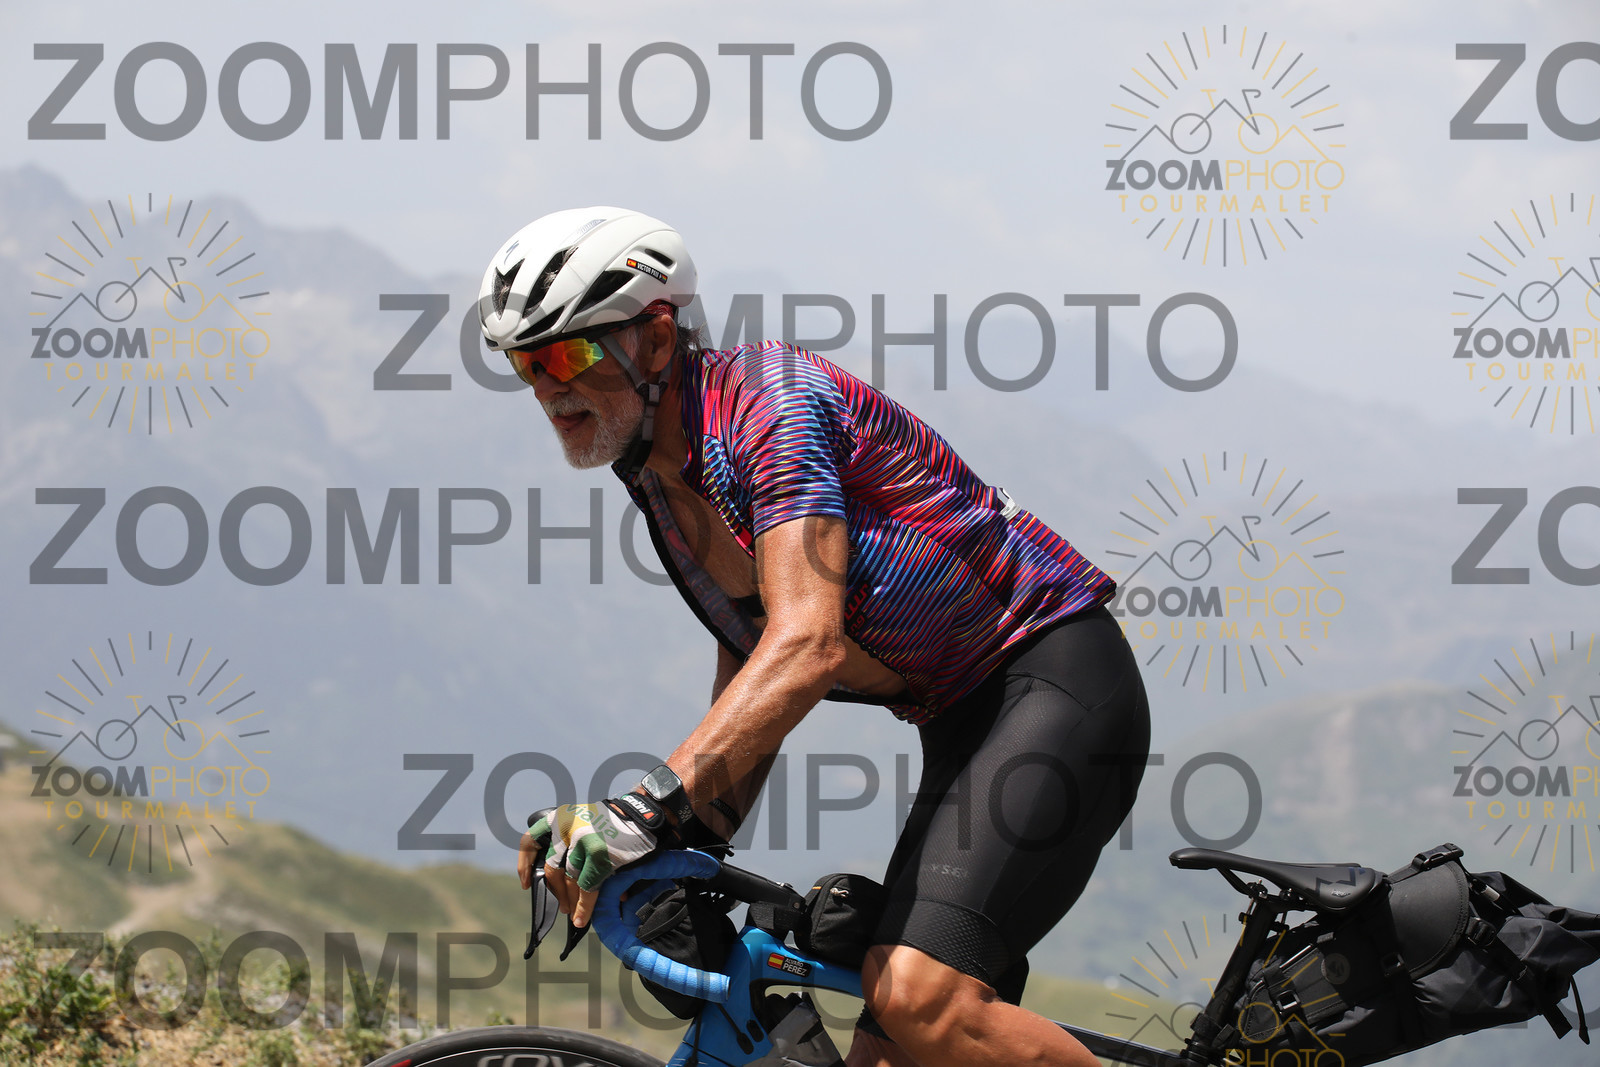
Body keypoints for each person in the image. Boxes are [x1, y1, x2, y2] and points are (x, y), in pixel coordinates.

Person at [482, 207, 1151, 1067]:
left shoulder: (770, 403)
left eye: (566, 355)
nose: (547, 388)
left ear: (656, 338)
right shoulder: (656, 470)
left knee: (923, 1001)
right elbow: (749, 654)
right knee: (889, 1047)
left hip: (1053, 680)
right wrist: (688, 838)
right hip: (964, 721)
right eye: (525, 363)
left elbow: (807, 645)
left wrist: (645, 811)